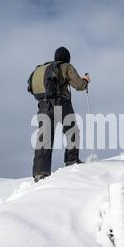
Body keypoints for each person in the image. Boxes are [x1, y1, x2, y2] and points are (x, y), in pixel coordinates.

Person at [32, 47, 91, 182]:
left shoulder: (45, 69)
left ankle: (40, 172)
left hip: (43, 106)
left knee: (44, 137)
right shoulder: (66, 67)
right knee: (72, 131)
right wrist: (86, 81)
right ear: (67, 58)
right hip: (60, 104)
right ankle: (71, 160)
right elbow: (79, 85)